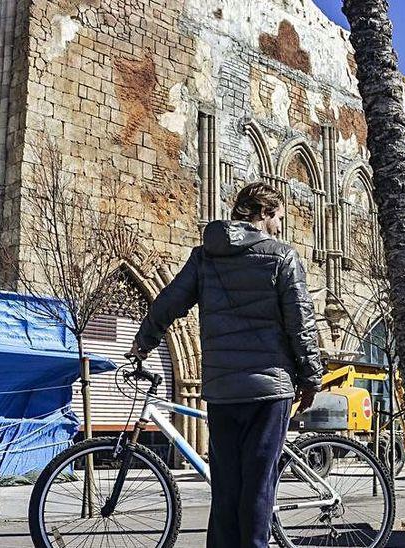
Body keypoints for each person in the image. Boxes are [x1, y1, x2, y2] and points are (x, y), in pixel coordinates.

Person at [129, 182, 325, 548]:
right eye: (278, 217)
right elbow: (302, 322)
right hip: (269, 391)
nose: (280, 227)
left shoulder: (205, 256)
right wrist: (312, 378)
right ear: (263, 214)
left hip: (222, 392)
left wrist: (143, 343)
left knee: (226, 489)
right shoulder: (282, 256)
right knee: (258, 486)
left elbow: (169, 302)